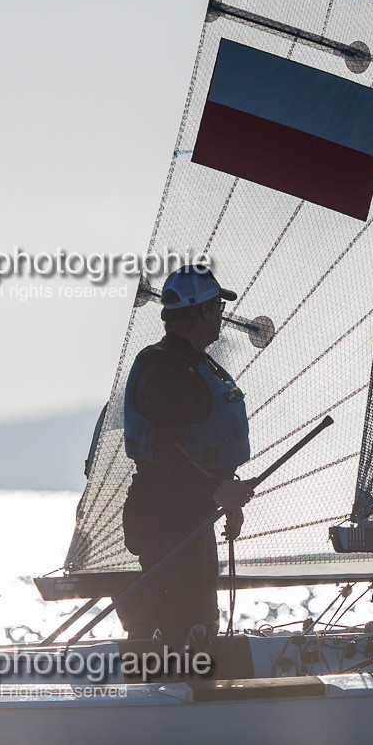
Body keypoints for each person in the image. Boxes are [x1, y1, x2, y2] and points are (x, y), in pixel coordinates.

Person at [115, 266, 255, 648]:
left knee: (199, 626)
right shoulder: (169, 370)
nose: (220, 317)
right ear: (204, 312)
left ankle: (182, 684)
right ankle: (170, 692)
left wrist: (222, 496)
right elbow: (165, 448)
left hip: (187, 515)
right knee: (184, 631)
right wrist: (215, 490)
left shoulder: (192, 363)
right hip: (165, 518)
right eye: (216, 308)